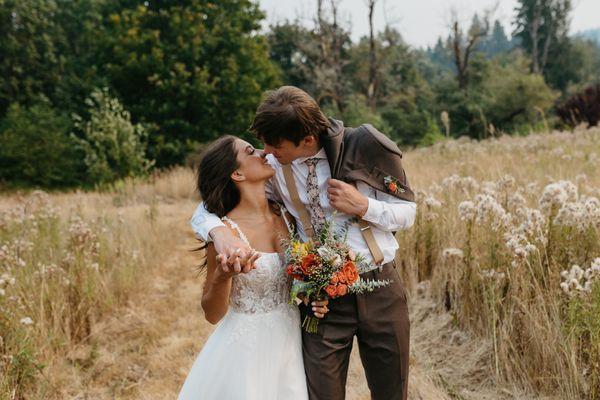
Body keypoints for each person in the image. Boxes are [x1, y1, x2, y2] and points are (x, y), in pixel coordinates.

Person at [191, 86, 417, 400]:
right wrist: (220, 233)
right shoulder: (274, 170)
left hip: (379, 285)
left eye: (274, 144)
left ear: (307, 140)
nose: (266, 150)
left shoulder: (364, 147)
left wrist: (363, 206)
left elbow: (409, 213)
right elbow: (213, 202)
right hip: (321, 300)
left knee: (392, 392)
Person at [178, 135, 329, 400]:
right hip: (247, 353)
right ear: (237, 173)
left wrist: (313, 294)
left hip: (290, 343)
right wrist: (223, 277)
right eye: (250, 150)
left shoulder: (286, 214)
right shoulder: (225, 234)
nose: (262, 152)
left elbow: (296, 279)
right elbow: (212, 314)